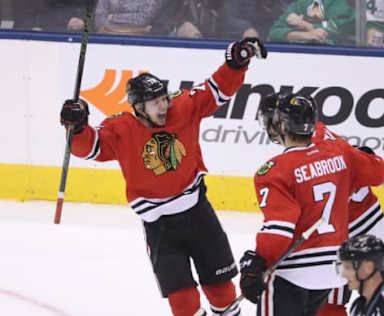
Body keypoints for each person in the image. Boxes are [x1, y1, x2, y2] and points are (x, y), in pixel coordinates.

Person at [60, 37, 267, 316]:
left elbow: (217, 90)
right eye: (155, 102)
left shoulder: (182, 106)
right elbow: (89, 149)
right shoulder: (121, 128)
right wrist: (78, 125)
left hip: (198, 214)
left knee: (221, 291)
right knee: (183, 303)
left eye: (164, 98)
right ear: (139, 108)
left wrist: (236, 62)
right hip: (160, 229)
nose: (164, 106)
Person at [239, 93, 384, 316]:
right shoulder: (340, 152)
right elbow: (379, 173)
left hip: (295, 271)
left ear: (281, 124)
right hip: (335, 267)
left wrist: (256, 264)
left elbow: (280, 229)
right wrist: (363, 156)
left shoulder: (274, 170)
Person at [269, 0, 355, 45]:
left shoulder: (340, 5)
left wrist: (303, 24)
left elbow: (330, 35)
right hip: (296, 57)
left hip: (330, 61)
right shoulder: (302, 2)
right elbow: (274, 33)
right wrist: (307, 35)